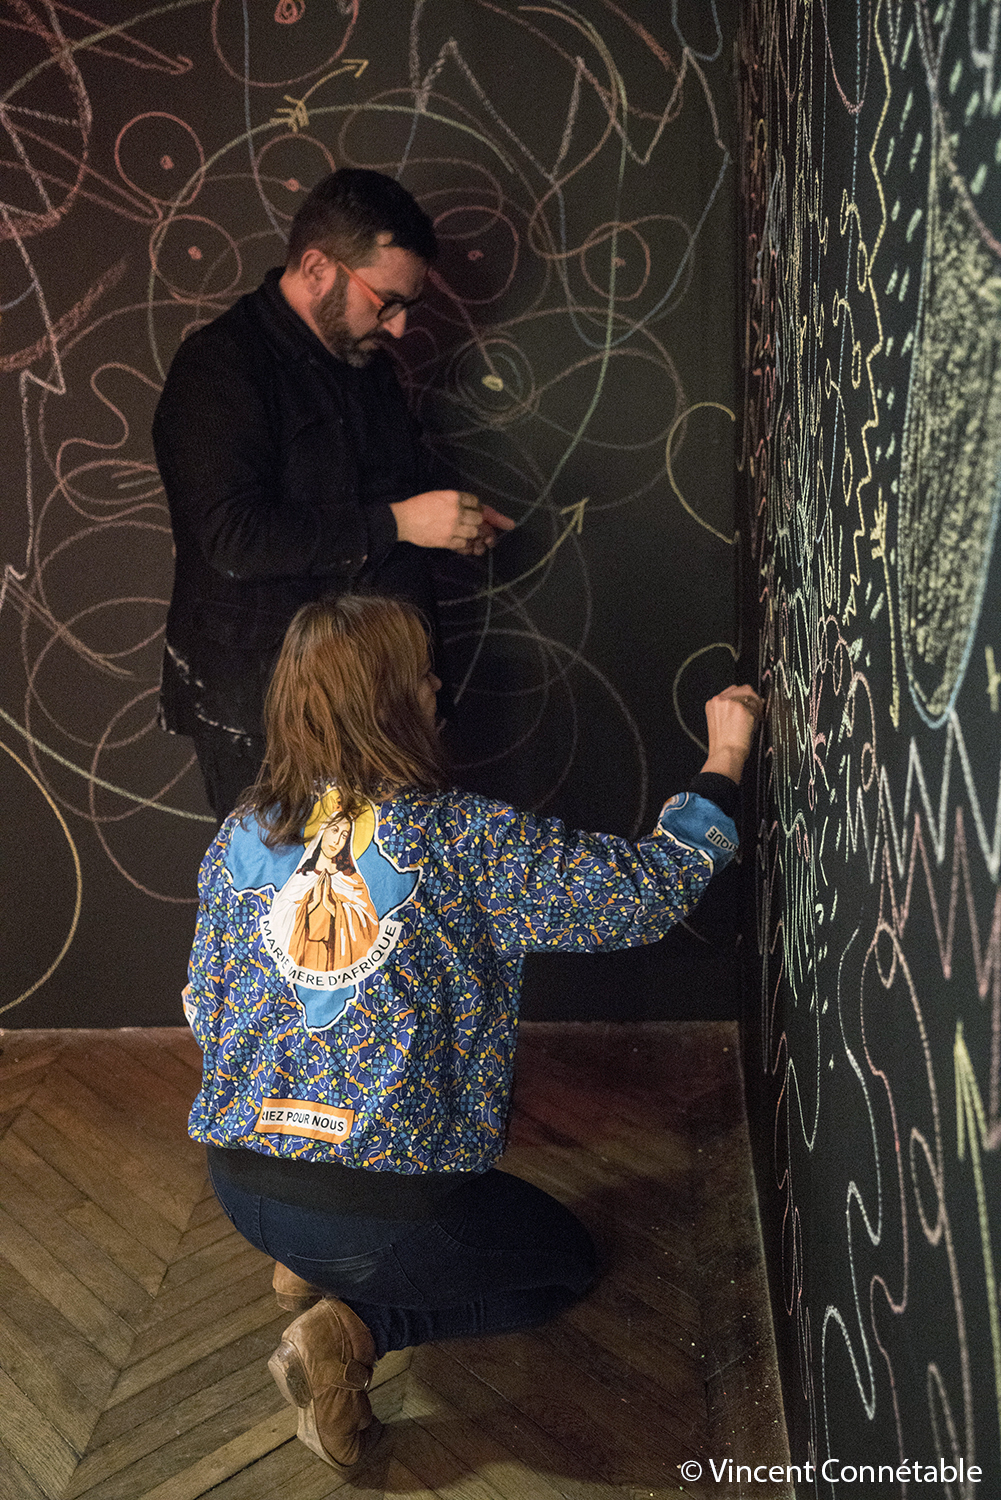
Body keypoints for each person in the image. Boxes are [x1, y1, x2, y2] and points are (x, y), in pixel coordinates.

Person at [182, 593, 763, 1473]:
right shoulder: (461, 837)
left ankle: (306, 1263)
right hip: (381, 1219)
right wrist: (724, 760)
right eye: (423, 674)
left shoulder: (239, 836)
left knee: (347, 1217)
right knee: (561, 1264)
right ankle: (354, 1328)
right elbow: (641, 895)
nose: (437, 687)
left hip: (240, 1186)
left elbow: (201, 1004)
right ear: (392, 701)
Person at [153, 168, 514, 823]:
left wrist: (445, 523)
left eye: (408, 306)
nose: (399, 328)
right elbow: (233, 539)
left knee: (388, 886)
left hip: (380, 701)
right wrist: (402, 522)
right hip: (267, 710)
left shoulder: (367, 367)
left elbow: (381, 505)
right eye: (387, 302)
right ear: (318, 267)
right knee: (287, 887)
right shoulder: (219, 366)